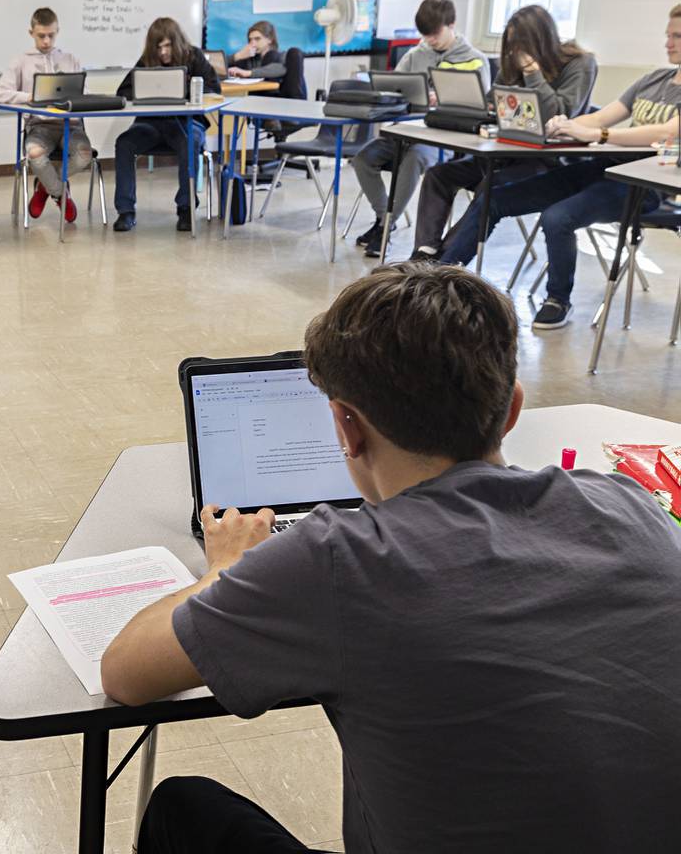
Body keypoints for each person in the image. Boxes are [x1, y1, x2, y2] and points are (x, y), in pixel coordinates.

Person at [101, 262, 681, 854]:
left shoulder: (339, 560)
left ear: (346, 430)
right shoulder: (634, 509)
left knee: (183, 809)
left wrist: (226, 566)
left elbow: (124, 674)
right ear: (511, 411)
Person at [439, 2, 681, 329]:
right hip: (602, 167)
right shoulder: (655, 79)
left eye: (677, 36)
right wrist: (566, 124)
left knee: (557, 217)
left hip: (647, 184)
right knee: (493, 199)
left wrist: (599, 133)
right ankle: (440, 278)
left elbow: (668, 131)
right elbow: (601, 116)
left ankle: (558, 299)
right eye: (668, 34)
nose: (668, 42)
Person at [410, 5, 597, 262]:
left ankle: (446, 259)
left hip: (549, 162)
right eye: (511, 48)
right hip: (503, 153)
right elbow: (494, 101)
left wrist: (532, 72)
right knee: (438, 175)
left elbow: (559, 112)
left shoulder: (580, 64)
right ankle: (424, 252)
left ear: (540, 41)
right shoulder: (513, 64)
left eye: (520, 47)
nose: (514, 55)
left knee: (491, 186)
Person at [351, 0, 490, 256]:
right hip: (408, 130)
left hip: (448, 139)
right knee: (363, 159)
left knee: (414, 159)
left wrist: (444, 99)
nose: (430, 40)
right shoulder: (416, 55)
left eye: (435, 34)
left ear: (452, 24)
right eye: (425, 35)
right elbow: (395, 90)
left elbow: (481, 107)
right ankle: (385, 220)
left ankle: (385, 226)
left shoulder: (475, 59)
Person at [111, 17, 222, 232]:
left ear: (176, 41)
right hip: (150, 124)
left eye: (167, 45)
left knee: (190, 142)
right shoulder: (147, 60)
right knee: (124, 143)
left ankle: (186, 208)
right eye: (158, 47)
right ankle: (126, 211)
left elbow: (214, 89)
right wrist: (145, 92)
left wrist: (185, 92)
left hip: (185, 123)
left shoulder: (194, 56)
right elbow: (122, 91)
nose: (162, 52)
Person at [0, 7, 90, 223]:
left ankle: (44, 187)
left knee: (84, 156)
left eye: (51, 35)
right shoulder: (20, 61)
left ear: (58, 31)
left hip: (71, 127)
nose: (46, 41)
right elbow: (0, 94)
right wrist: (30, 96)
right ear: (31, 33)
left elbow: (86, 93)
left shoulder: (70, 59)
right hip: (39, 128)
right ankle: (59, 193)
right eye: (41, 36)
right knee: (35, 155)